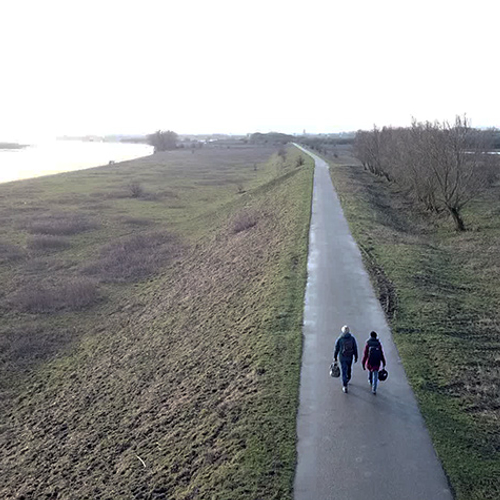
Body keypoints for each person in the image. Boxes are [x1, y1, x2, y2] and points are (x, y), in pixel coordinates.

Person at [333, 325, 358, 393]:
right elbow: (355, 348)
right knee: (349, 369)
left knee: (344, 371)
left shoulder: (340, 339)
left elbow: (336, 348)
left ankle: (345, 386)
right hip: (350, 357)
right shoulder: (352, 339)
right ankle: (348, 377)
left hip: (342, 357)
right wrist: (356, 356)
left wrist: (335, 357)